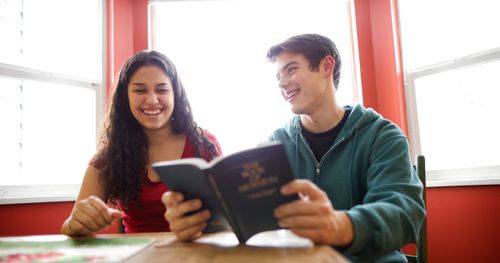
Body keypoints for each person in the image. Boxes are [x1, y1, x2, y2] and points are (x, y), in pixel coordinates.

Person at [162, 34, 425, 262]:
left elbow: (405, 212)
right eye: (278, 76)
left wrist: (341, 226)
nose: (281, 82)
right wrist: (200, 221)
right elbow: (246, 219)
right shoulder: (273, 145)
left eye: (291, 70)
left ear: (326, 66)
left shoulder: (382, 136)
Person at [61, 50, 222, 236]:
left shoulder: (205, 145)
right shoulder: (109, 158)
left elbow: (228, 218)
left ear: (175, 95)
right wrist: (77, 223)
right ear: (125, 97)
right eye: (140, 90)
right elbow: (69, 229)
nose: (152, 100)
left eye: (162, 90)